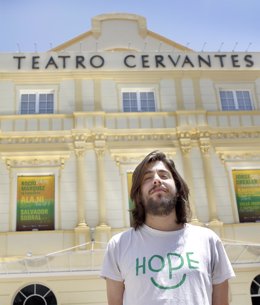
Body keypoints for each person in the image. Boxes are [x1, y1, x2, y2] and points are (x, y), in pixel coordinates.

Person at [101, 150, 235, 305]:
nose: (157, 180)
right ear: (138, 195)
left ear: (178, 188)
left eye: (164, 175)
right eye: (148, 178)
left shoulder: (208, 240)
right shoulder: (118, 245)